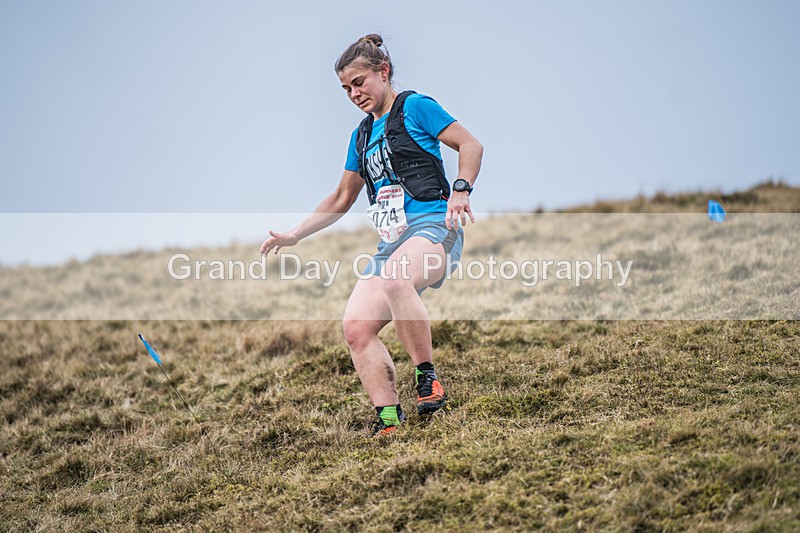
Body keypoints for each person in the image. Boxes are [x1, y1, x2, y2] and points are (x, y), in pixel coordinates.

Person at [260, 34, 483, 436]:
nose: (353, 93)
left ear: (383, 71)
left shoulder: (415, 107)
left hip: (434, 227)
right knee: (355, 327)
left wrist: (461, 190)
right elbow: (342, 196)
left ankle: (427, 378)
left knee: (397, 279)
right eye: (346, 88)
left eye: (359, 82)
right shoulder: (360, 137)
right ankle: (388, 420)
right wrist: (295, 234)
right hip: (392, 241)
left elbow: (470, 144)